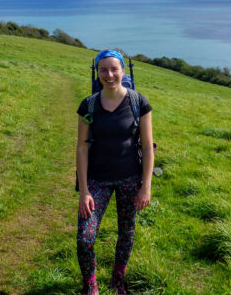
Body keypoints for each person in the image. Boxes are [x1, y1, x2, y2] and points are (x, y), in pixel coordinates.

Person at [76, 49, 154, 295]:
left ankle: (118, 278)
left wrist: (146, 187)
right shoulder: (88, 105)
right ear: (97, 73)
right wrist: (84, 191)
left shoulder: (139, 102)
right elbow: (81, 148)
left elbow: (147, 147)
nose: (109, 75)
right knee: (85, 239)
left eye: (114, 69)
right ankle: (90, 283)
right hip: (97, 181)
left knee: (126, 233)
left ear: (122, 71)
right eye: (103, 70)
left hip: (130, 179)